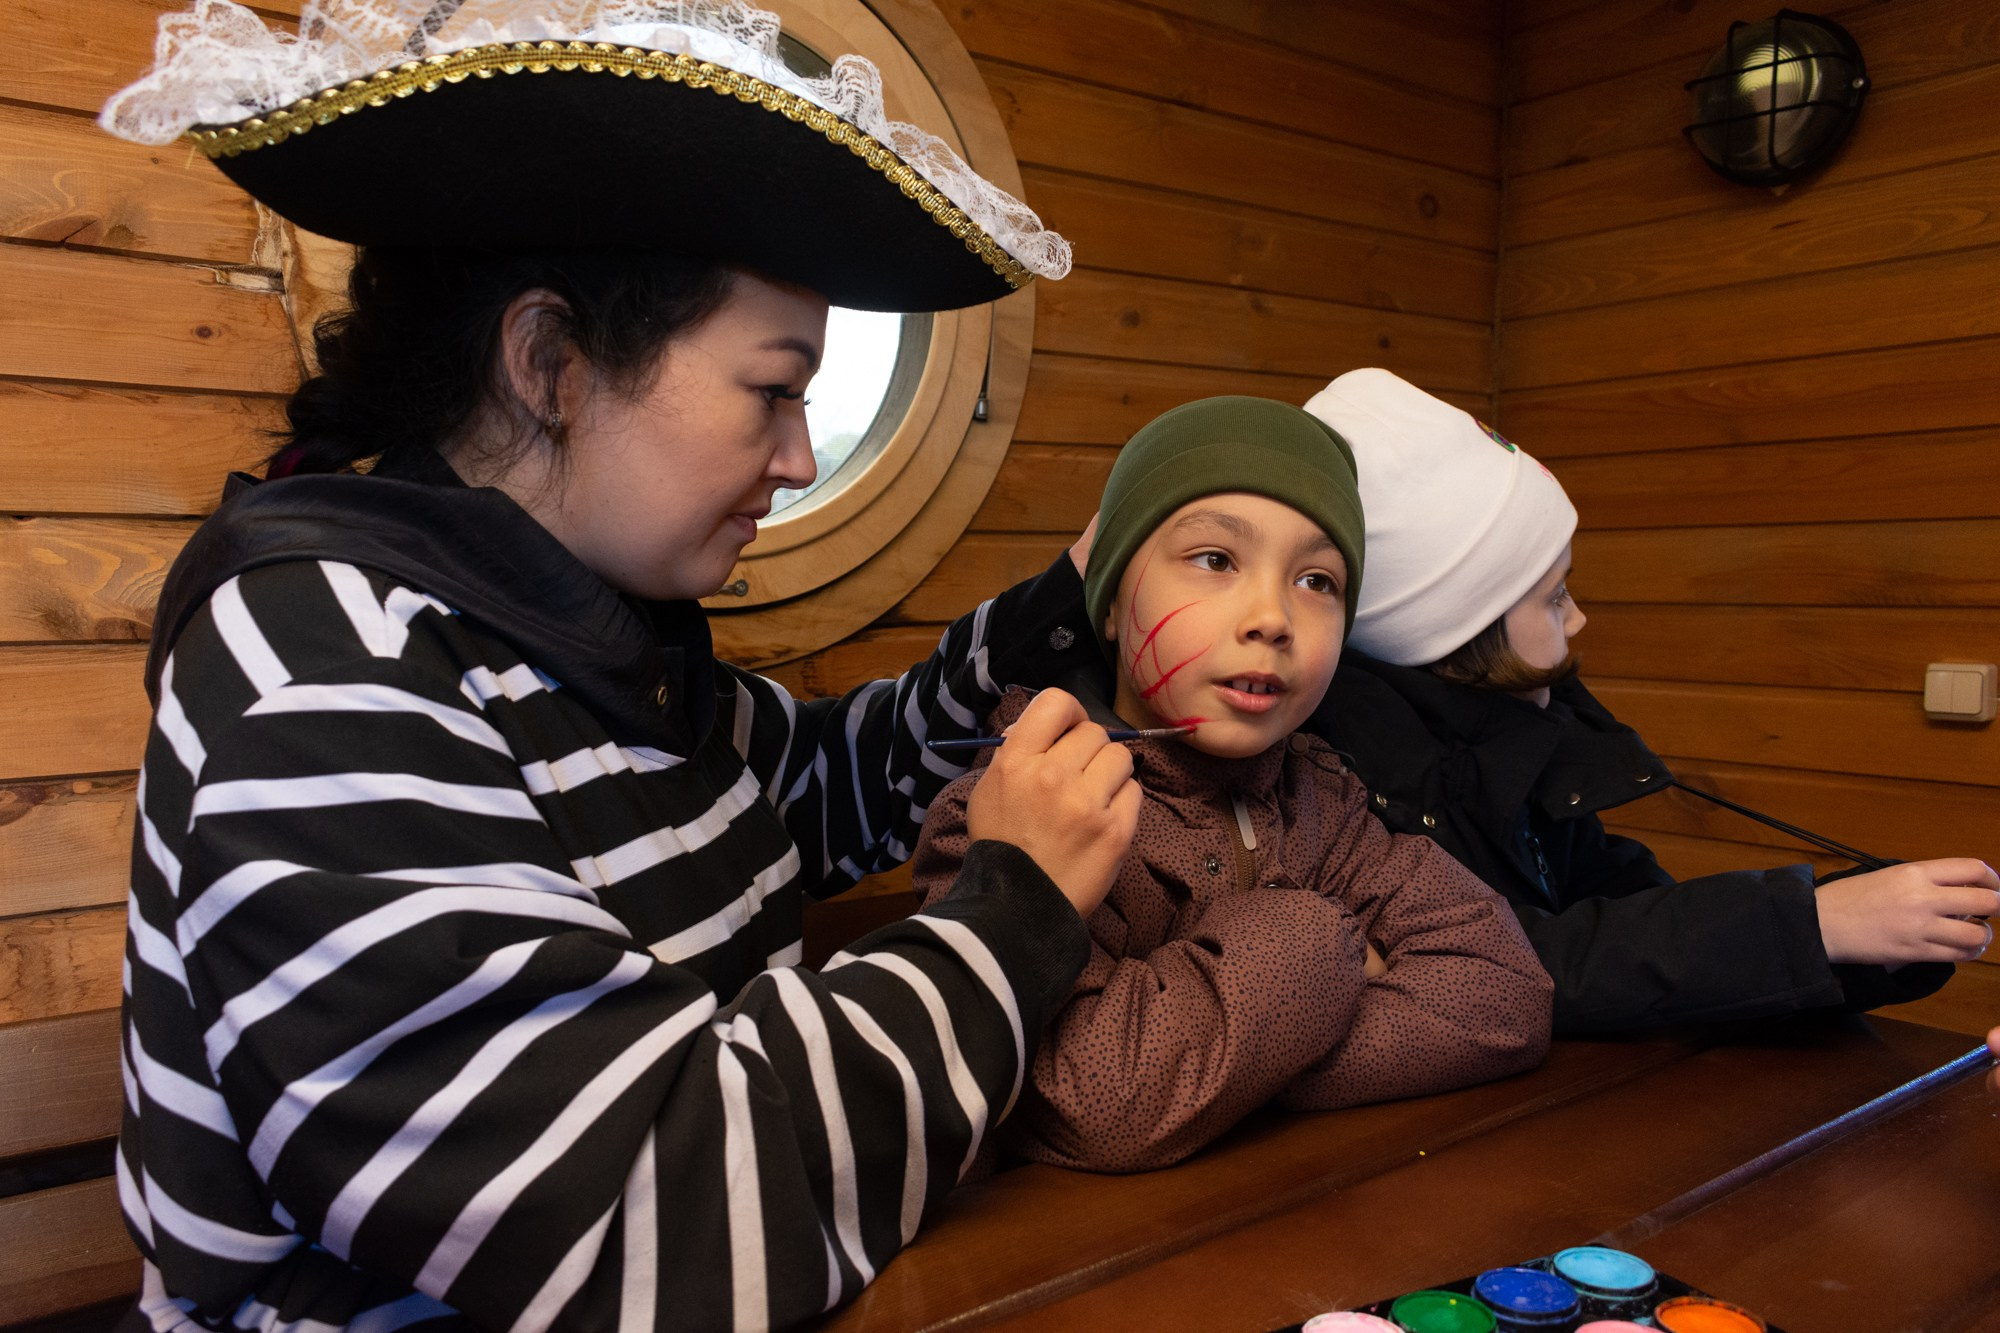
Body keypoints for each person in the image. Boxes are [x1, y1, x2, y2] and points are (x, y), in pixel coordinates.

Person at [98, 5, 1141, 1330]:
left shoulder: (578, 630)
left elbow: (805, 782)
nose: (802, 458)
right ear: (550, 362)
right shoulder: (325, 676)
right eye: (774, 388)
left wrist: (1063, 614)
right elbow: (659, 1211)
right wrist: (1013, 915)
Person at [910, 397, 1553, 1173]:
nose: (1273, 616)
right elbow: (1091, 1098)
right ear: (1113, 604)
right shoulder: (1011, 814)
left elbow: (1507, 992)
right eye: (1215, 560)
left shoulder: (1324, 799)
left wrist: (1235, 1064)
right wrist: (1327, 945)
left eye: (1317, 579)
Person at [1302, 367, 1999, 1035]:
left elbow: (1636, 917)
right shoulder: (1347, 772)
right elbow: (1516, 958)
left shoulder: (1511, 735)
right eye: (1552, 596)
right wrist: (1812, 921)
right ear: (1458, 627)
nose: (1575, 619)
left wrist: (1859, 942)